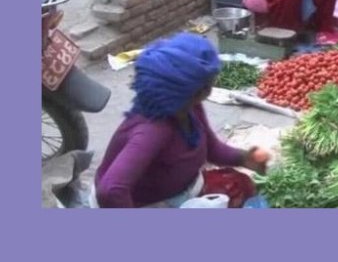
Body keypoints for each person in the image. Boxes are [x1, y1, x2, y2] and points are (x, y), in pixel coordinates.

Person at [93, 33, 271, 208]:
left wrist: (244, 158)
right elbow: (110, 191)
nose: (212, 86)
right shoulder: (153, 131)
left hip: (182, 190)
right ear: (195, 91)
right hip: (149, 204)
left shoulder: (189, 107)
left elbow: (211, 149)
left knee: (241, 186)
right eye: (208, 83)